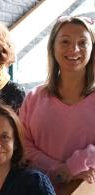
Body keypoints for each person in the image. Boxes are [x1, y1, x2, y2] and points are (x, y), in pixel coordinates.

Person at [20, 16, 95, 184]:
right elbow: (22, 143)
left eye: (83, 42)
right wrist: (57, 169)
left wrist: (73, 167)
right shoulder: (34, 97)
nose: (74, 49)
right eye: (65, 42)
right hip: (36, 194)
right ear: (53, 47)